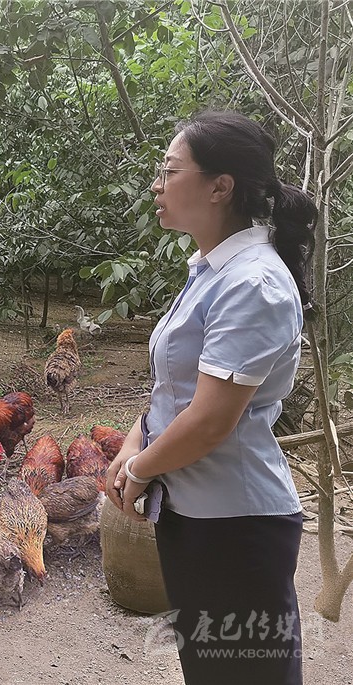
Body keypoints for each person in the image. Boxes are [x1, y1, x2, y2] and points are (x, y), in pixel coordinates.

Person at [106, 110, 317, 685]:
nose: (156, 184)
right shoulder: (212, 270)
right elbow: (175, 389)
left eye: (169, 171)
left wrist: (140, 469)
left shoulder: (252, 284)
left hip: (235, 527)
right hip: (197, 515)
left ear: (220, 187)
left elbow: (209, 421)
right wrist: (134, 442)